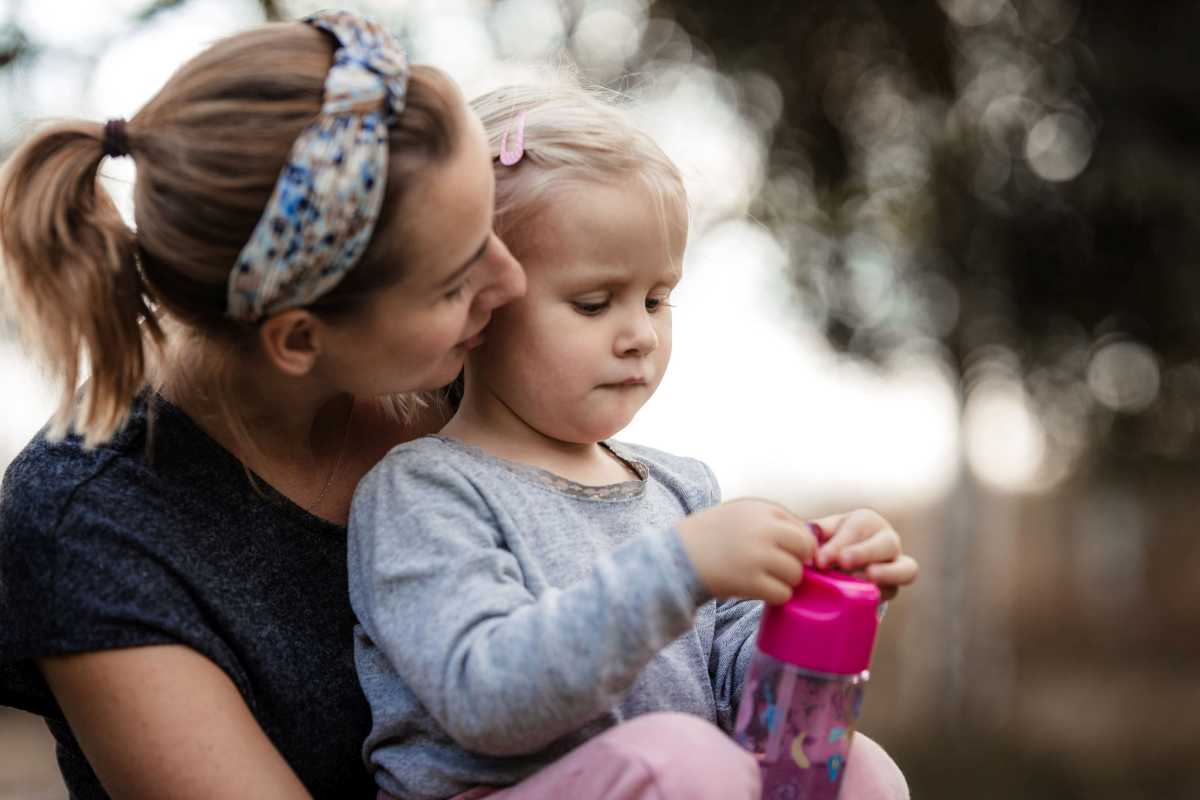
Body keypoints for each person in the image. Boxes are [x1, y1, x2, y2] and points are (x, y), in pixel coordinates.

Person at [0, 10, 525, 798]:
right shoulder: (89, 522)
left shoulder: (468, 370)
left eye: (490, 225)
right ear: (298, 340)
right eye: (453, 283)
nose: (512, 282)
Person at [347, 83, 920, 800]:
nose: (641, 335)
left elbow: (744, 700)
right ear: (481, 302)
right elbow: (484, 699)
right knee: (680, 759)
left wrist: (822, 594)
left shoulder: (683, 490)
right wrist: (681, 569)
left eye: (656, 299)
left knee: (860, 770)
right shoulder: (424, 491)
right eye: (594, 303)